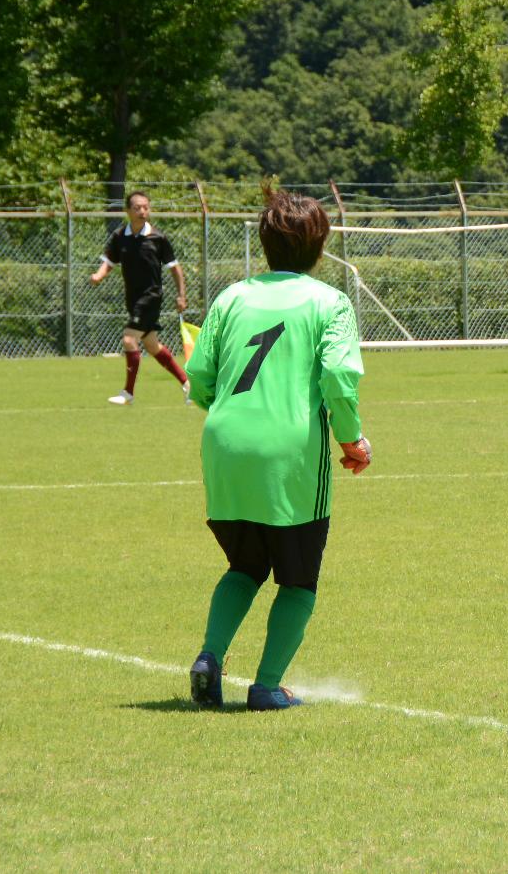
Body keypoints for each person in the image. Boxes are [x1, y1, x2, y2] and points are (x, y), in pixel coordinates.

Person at [183, 191, 369, 712]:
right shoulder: (329, 302)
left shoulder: (230, 298)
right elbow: (337, 375)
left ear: (264, 244)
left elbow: (199, 378)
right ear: (319, 245)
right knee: (297, 578)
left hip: (224, 446)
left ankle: (209, 659)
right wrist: (352, 439)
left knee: (244, 566)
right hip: (288, 454)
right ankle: (267, 686)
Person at [88, 191, 190, 405]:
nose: (142, 211)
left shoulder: (158, 238)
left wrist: (181, 295)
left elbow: (175, 269)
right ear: (128, 211)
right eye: (137, 207)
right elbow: (109, 261)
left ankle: (128, 393)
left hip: (151, 297)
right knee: (152, 345)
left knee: (129, 339)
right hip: (132, 299)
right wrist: (99, 275)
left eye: (145, 207)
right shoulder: (119, 236)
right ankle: (187, 384)